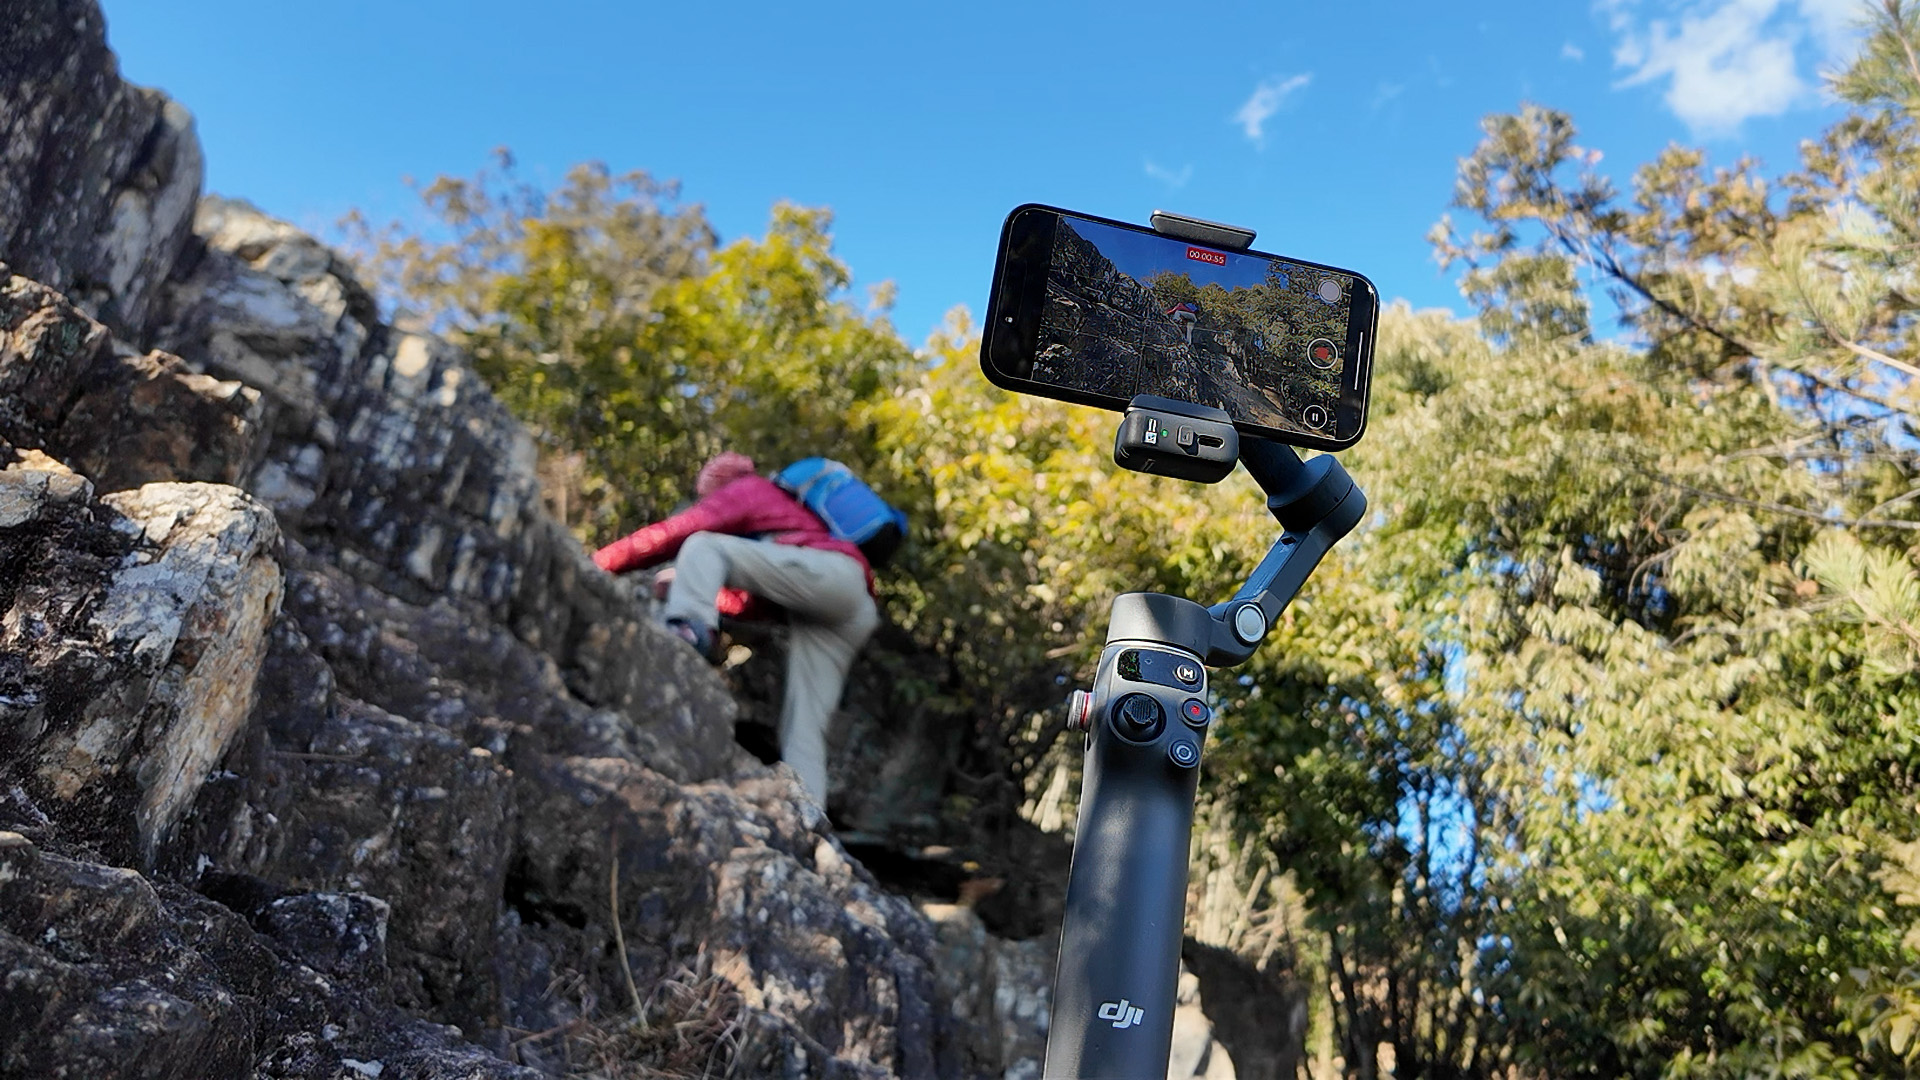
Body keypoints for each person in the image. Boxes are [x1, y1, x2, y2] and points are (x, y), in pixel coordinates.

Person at [592, 451, 879, 806]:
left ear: (717, 484)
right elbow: (758, 604)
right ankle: (810, 820)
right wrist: (696, 587)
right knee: (804, 730)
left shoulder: (748, 489)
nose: (706, 500)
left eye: (706, 493)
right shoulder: (787, 516)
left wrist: (597, 564)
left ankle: (688, 633)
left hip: (833, 575)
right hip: (852, 606)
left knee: (702, 544)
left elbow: (677, 532)